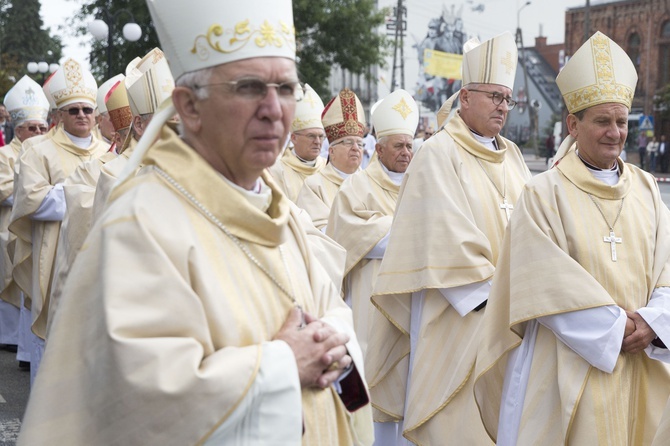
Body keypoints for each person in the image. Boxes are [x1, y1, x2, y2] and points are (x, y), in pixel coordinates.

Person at [18, 0, 373, 444]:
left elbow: (332, 306)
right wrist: (283, 363)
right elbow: (142, 400)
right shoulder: (141, 224)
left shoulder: (281, 210)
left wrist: (333, 337)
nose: (273, 108)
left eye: (285, 88)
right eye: (248, 87)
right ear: (188, 107)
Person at [474, 31, 670, 445]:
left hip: (642, 359)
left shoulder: (647, 189)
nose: (615, 132)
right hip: (568, 362)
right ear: (573, 124)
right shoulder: (544, 192)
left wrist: (654, 322)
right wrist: (615, 329)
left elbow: (668, 265)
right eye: (602, 121)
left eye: (621, 121)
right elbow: (542, 279)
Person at [366, 32, 531, 445]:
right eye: (494, 96)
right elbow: (444, 239)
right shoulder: (437, 154)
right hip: (461, 315)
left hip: (515, 316)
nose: (502, 107)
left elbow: (535, 226)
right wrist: (507, 299)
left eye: (507, 99)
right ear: (465, 97)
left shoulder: (512, 157)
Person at [8, 59, 108, 385]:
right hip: (55, 257)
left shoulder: (107, 151)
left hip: (99, 252)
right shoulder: (39, 150)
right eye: (74, 110)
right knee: (52, 333)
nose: (82, 115)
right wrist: (89, 193)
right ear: (59, 115)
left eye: (87, 110)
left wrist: (68, 192)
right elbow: (34, 201)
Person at [326, 89, 418, 356]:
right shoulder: (357, 185)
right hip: (370, 293)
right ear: (378, 149)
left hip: (411, 292)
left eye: (409, 146)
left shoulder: (422, 185)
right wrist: (413, 231)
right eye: (398, 146)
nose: (405, 153)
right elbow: (348, 235)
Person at [92, 48, 175, 222]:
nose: (172, 131)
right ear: (138, 125)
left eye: (176, 122)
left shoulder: (189, 162)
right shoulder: (113, 173)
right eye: (163, 121)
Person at [0, 76, 50, 359]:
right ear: (18, 130)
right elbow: (4, 189)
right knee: (11, 278)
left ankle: (26, 349)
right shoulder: (6, 154)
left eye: (42, 127)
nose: (38, 131)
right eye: (32, 127)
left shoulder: (44, 152)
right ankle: (9, 338)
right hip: (10, 225)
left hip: (41, 227)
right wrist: (29, 193)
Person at [296, 88, 364, 231]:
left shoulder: (371, 183)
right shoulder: (314, 186)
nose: (355, 148)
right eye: (348, 142)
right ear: (331, 151)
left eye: (360, 143)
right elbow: (315, 230)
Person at [267, 83, 327, 202]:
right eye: (311, 136)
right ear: (294, 138)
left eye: (321, 136)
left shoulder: (327, 168)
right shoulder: (278, 171)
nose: (317, 142)